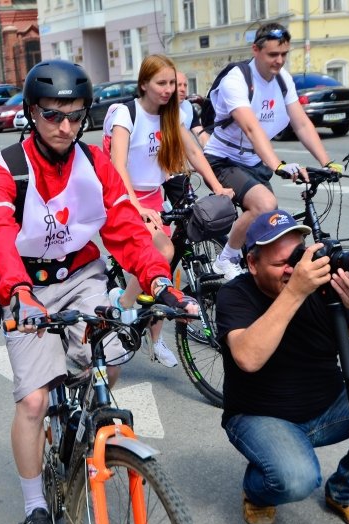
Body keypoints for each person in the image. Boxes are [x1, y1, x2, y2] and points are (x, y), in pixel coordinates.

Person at [0, 59, 198, 524]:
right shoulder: (5, 170)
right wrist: (18, 294)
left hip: (82, 277)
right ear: (32, 113)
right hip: (26, 288)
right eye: (53, 115)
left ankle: (81, 416)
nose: (65, 127)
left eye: (76, 116)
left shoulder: (96, 164)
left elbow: (125, 229)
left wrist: (160, 281)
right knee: (34, 400)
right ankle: (35, 503)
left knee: (109, 361)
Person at [214, 209, 349, 524]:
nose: (292, 270)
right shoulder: (234, 295)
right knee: (296, 479)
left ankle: (345, 490)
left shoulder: (323, 290)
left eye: (296, 258)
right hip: (259, 417)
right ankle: (257, 490)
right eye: (280, 264)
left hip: (327, 409)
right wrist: (295, 291)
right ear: (252, 264)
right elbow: (248, 357)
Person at [103, 53, 233, 367]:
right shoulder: (126, 114)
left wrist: (218, 188)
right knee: (161, 253)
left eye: (171, 83)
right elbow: (118, 168)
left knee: (167, 270)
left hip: (153, 198)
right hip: (123, 197)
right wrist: (137, 208)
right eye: (161, 83)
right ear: (144, 83)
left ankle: (156, 339)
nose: (167, 89)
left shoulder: (170, 116)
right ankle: (122, 303)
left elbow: (194, 152)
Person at [203, 23, 341, 281]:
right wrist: (278, 165)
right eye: (272, 54)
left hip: (256, 160)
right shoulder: (238, 79)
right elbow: (251, 128)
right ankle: (225, 259)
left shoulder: (282, 79)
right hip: (223, 158)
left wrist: (327, 162)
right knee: (264, 205)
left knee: (270, 227)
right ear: (256, 50)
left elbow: (301, 123)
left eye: (284, 54)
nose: (279, 61)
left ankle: (254, 278)